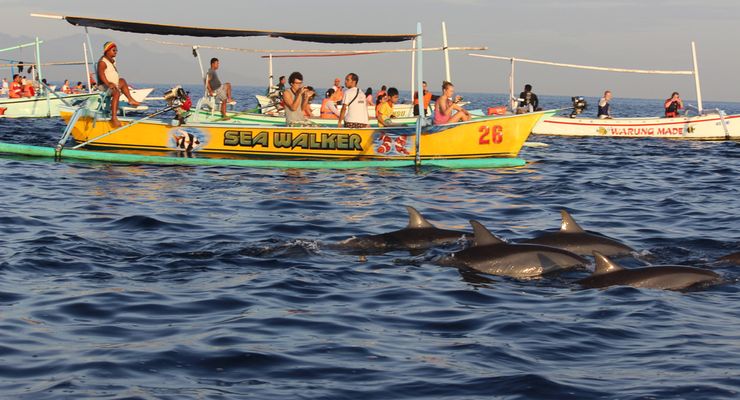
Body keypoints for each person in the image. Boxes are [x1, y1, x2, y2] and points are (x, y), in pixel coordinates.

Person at [96, 42, 142, 127]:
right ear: (107, 51)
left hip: (113, 84)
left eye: (116, 50)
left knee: (122, 81)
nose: (116, 52)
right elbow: (101, 74)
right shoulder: (102, 62)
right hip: (104, 85)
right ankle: (113, 118)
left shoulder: (112, 60)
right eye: (113, 50)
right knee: (116, 92)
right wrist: (108, 83)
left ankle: (130, 99)